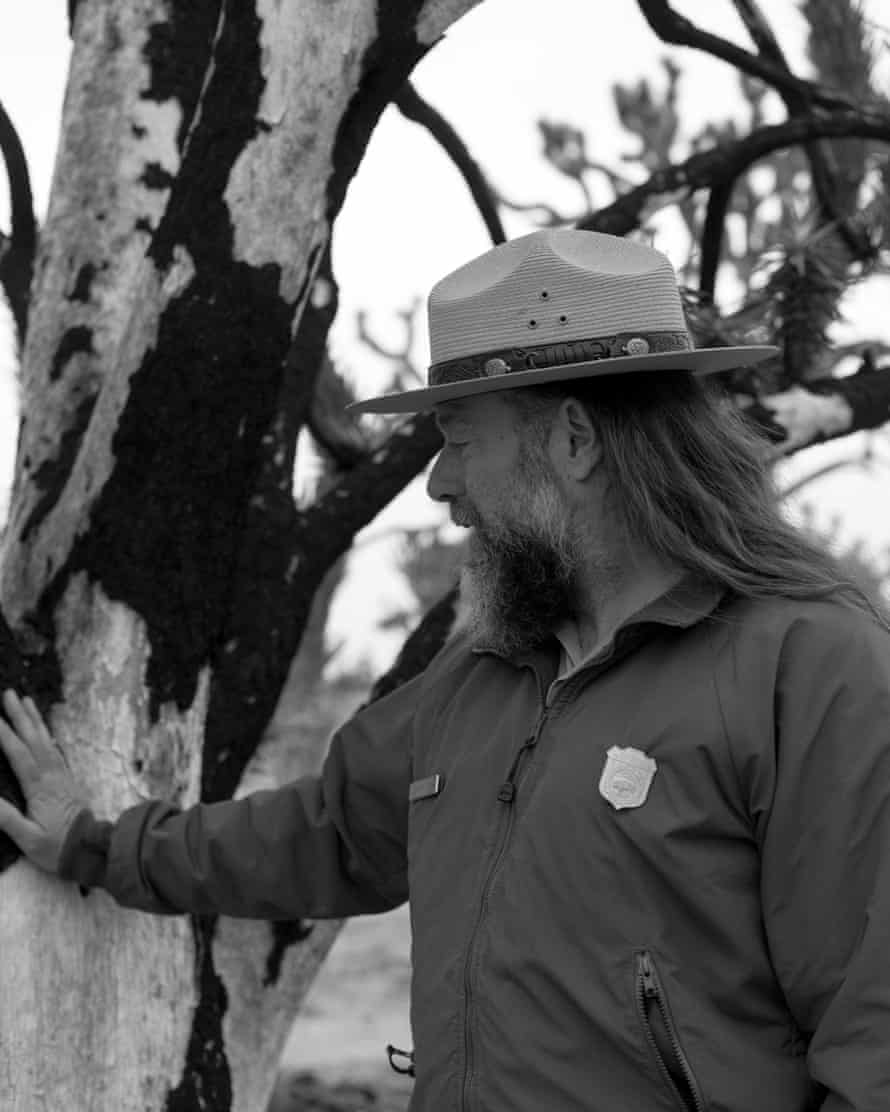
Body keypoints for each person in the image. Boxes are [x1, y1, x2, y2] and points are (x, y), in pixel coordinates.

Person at [1, 228, 889, 1112]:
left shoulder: (812, 666)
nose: (438, 481)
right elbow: (324, 834)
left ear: (574, 441)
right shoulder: (486, 671)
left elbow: (874, 1036)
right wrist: (93, 842)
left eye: (460, 438)